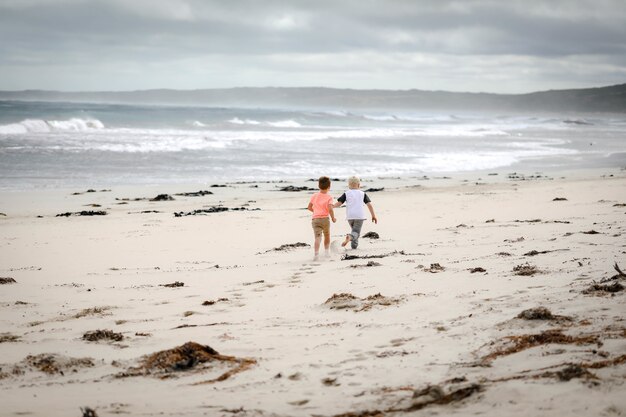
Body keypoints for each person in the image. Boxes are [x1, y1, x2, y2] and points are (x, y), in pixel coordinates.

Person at [333, 176, 377, 249]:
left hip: (350, 217)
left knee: (354, 231)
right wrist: (373, 215)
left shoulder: (346, 193)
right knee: (356, 232)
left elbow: (339, 203)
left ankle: (354, 247)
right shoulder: (362, 193)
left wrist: (332, 207)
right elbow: (369, 205)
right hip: (359, 216)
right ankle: (349, 237)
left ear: (348, 185)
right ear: (359, 185)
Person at [307, 176, 336, 260]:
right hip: (325, 219)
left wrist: (316, 212)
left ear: (318, 185)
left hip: (315, 219)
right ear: (329, 187)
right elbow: (330, 209)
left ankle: (316, 255)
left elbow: (309, 207)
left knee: (317, 237)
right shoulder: (329, 197)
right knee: (327, 235)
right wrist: (333, 218)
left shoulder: (314, 196)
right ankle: (326, 252)